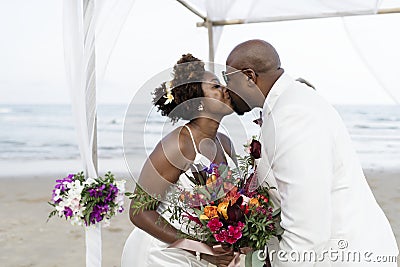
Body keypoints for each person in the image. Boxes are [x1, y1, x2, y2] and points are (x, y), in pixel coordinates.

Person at [224, 39, 398, 266]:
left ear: (249, 76)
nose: (226, 88)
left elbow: (307, 230)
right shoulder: (293, 102)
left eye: (228, 79)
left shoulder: (292, 115)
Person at [121, 54, 236, 267]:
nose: (225, 90)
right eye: (216, 86)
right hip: (162, 254)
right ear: (199, 103)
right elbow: (139, 212)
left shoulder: (225, 144)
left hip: (205, 255)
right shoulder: (178, 145)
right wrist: (201, 250)